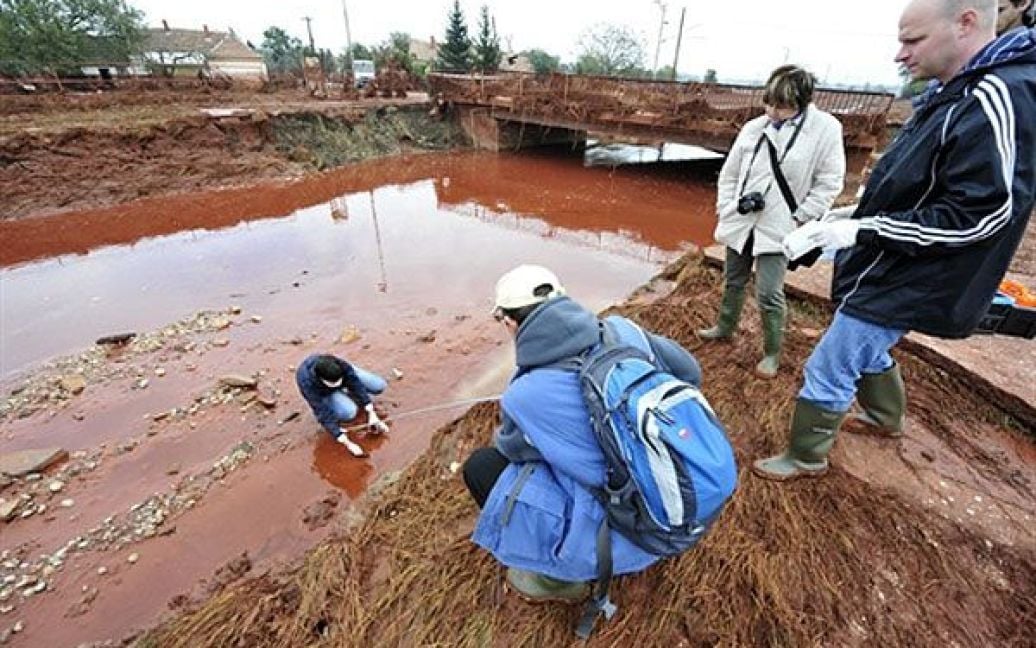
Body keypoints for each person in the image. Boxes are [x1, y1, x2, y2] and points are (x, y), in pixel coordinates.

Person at [754, 0, 1036, 481]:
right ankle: (885, 418)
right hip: (892, 261)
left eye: (913, 40)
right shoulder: (953, 91)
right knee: (868, 346)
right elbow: (922, 183)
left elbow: (980, 215)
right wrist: (849, 216)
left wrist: (859, 229)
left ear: (966, 22)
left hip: (916, 271)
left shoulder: (995, 96)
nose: (900, 55)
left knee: (832, 362)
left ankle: (806, 455)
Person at [462, 265, 706, 602]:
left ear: (510, 322)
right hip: (685, 500)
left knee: (483, 467)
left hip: (631, 535)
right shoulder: (623, 328)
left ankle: (557, 580)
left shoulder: (526, 393)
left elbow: (515, 452)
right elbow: (691, 372)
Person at [699, 65, 846, 379]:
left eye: (782, 106)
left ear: (802, 102)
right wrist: (726, 206)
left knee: (769, 291)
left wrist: (800, 217)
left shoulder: (825, 129)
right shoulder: (755, 127)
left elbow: (830, 182)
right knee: (733, 278)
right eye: (769, 103)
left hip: (781, 223)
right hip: (743, 218)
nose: (773, 112)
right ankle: (724, 327)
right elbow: (731, 172)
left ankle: (772, 352)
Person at [296, 354, 390, 457]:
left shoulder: (339, 364)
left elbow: (355, 382)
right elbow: (321, 412)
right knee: (349, 413)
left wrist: (371, 412)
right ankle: (337, 396)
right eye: (334, 383)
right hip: (324, 392)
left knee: (379, 385)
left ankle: (347, 394)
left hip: (343, 376)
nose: (338, 383)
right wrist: (347, 442)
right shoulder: (307, 383)